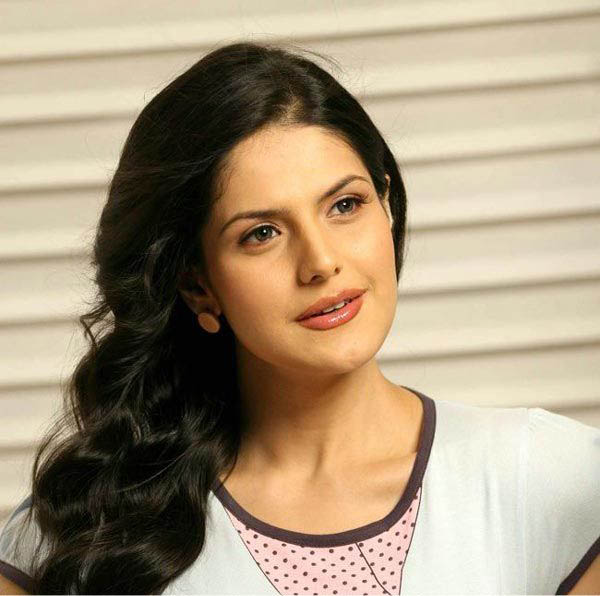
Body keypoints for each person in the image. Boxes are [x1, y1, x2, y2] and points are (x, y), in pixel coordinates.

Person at [0, 40, 598, 596]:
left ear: (386, 204)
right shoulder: (88, 526)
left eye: (345, 205)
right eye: (262, 233)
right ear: (198, 285)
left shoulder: (551, 479)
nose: (321, 262)